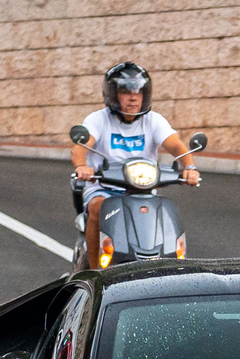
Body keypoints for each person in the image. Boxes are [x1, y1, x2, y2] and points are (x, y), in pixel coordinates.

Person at [68, 61, 199, 263]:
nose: (133, 98)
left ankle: (174, 269)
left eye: (138, 93)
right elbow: (80, 147)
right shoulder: (98, 120)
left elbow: (176, 146)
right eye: (126, 92)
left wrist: (189, 167)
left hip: (143, 190)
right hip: (104, 187)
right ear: (113, 95)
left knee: (166, 213)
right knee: (97, 208)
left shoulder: (154, 120)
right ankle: (94, 272)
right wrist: (81, 166)